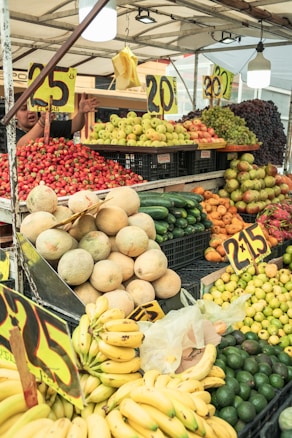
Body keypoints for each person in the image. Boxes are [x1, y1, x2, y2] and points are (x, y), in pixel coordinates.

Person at [15, 91, 99, 147]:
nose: (30, 111)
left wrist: (81, 112)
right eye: (24, 109)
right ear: (14, 115)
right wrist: (42, 123)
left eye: (33, 107)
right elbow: (20, 147)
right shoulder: (10, 133)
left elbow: (75, 126)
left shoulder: (51, 125)